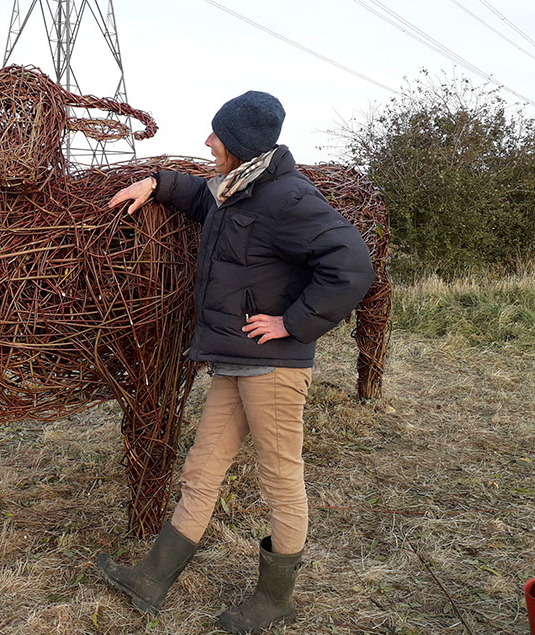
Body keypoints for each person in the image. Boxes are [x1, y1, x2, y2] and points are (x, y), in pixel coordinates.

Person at [95, 91, 375, 633]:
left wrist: (292, 324)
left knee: (279, 477)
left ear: (242, 147)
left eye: (216, 135)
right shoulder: (234, 191)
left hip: (272, 369)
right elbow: (200, 198)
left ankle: (275, 600)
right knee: (202, 469)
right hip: (233, 361)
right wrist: (155, 183)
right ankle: (152, 577)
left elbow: (351, 264)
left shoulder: (289, 198)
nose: (207, 142)